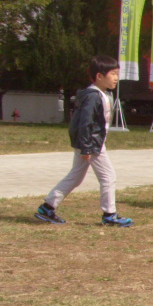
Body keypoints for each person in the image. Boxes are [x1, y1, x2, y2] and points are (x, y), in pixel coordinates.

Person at [34, 55, 133, 227]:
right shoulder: (93, 96)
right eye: (113, 74)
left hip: (91, 142)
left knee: (76, 176)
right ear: (99, 76)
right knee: (108, 177)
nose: (116, 78)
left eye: (117, 74)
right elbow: (85, 122)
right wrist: (86, 148)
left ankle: (48, 207)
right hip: (92, 144)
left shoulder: (101, 94)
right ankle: (110, 215)